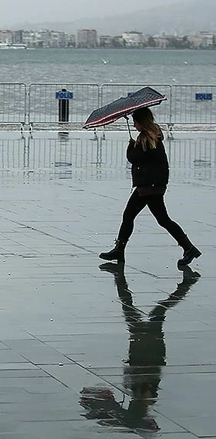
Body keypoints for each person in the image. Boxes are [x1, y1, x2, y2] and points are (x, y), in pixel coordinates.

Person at [79, 262, 199, 432]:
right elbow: (144, 370)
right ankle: (185, 286)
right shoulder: (144, 394)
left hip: (148, 349)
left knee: (152, 312)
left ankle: (184, 286)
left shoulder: (144, 395)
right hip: (146, 348)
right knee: (152, 311)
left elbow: (148, 370)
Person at [99, 107, 201, 266]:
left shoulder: (145, 138)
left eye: (135, 122)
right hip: (153, 185)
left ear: (141, 122)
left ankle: (120, 249)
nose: (134, 125)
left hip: (148, 186)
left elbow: (134, 158)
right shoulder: (153, 135)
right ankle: (189, 248)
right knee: (161, 219)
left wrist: (130, 146)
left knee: (130, 215)